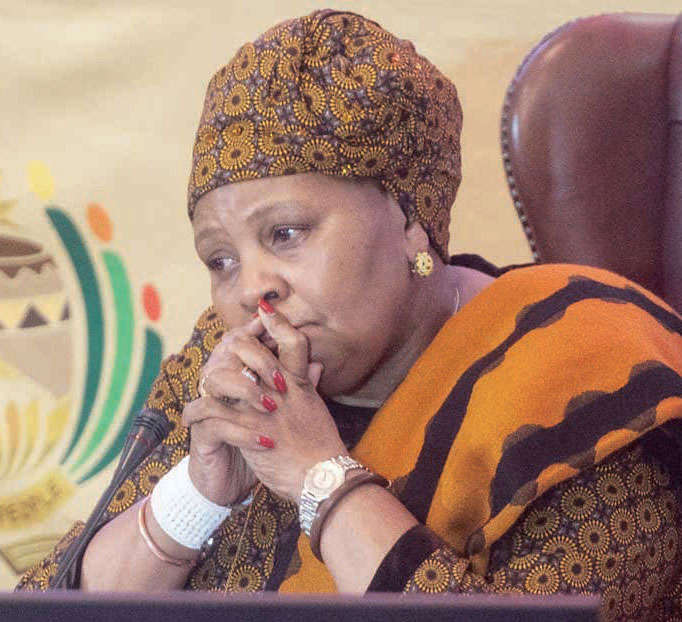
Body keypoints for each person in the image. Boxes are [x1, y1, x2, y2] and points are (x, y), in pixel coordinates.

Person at [17, 8, 682, 619]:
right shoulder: (227, 370)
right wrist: (195, 497)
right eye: (221, 260)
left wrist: (321, 478)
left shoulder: (586, 374)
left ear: (409, 218)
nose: (252, 289)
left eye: (285, 234)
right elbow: (39, 610)